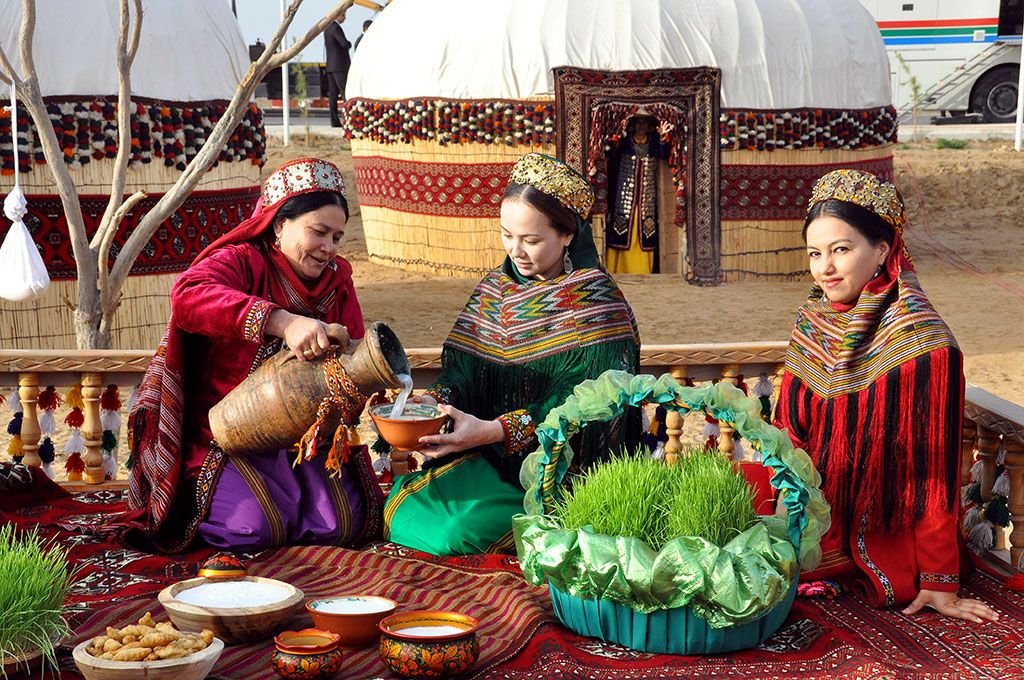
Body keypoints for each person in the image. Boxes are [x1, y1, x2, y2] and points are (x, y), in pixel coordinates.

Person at [118, 158, 383, 553]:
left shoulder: (337, 280)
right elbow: (187, 295)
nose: (328, 247)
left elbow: (356, 349)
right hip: (225, 439)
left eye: (338, 237)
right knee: (254, 529)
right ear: (279, 224)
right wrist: (281, 321)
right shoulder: (242, 261)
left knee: (342, 525)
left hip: (302, 441)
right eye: (319, 232)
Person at [383, 153, 642, 556]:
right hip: (483, 461)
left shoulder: (595, 303)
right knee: (400, 512)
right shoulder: (494, 290)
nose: (516, 251)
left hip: (556, 477)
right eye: (507, 235)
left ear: (568, 235)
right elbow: (463, 376)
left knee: (453, 534)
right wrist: (435, 403)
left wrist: (496, 430)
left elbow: (590, 410)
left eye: (532, 240)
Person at [775, 169, 998, 623]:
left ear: (882, 249)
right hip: (812, 524)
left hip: (886, 536)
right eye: (815, 253)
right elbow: (788, 432)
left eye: (841, 250)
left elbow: (933, 473)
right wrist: (789, 527)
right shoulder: (813, 321)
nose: (825, 268)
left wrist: (939, 581)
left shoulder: (923, 341)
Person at [606, 113, 671, 274]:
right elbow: (611, 157)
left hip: (646, 198)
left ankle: (643, 270)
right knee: (621, 229)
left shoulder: (654, 142)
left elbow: (664, 154)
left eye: (644, 122)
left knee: (644, 230)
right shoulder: (624, 141)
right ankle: (618, 269)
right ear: (632, 125)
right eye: (638, 122)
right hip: (624, 196)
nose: (641, 126)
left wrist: (663, 136)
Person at [324, 12, 351, 128]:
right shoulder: (336, 28)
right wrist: (349, 44)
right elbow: (343, 43)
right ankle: (348, 118)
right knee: (344, 92)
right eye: (343, 15)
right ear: (338, 16)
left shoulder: (327, 28)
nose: (345, 18)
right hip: (339, 66)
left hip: (331, 65)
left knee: (333, 95)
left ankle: (334, 121)